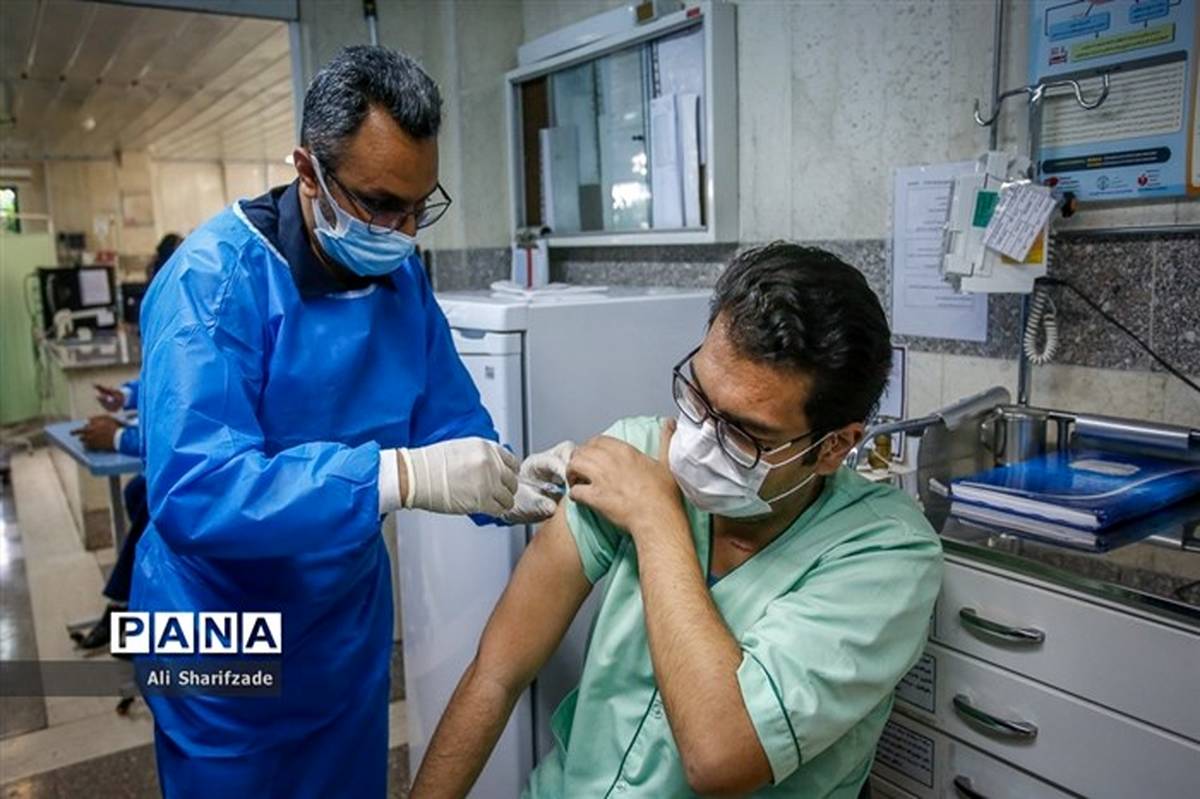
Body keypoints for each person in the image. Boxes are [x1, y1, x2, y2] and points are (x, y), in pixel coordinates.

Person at [133, 47, 571, 798]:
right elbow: (197, 491)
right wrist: (392, 475)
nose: (403, 232)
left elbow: (447, 422)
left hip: (339, 626)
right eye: (380, 204)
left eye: (420, 207)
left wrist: (507, 481)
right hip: (210, 624)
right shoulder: (211, 283)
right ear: (308, 171)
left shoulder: (397, 278)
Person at [412, 244, 944, 798]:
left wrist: (657, 518)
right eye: (698, 397)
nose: (699, 442)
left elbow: (719, 758)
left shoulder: (886, 555)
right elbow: (497, 672)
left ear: (833, 447)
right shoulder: (637, 454)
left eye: (746, 435)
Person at [70, 234, 183, 649]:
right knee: (138, 492)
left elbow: (179, 437)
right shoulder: (175, 322)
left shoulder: (199, 325)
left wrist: (118, 437)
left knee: (154, 501)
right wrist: (127, 396)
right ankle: (139, 602)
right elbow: (158, 380)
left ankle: (121, 611)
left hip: (201, 477)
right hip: (172, 467)